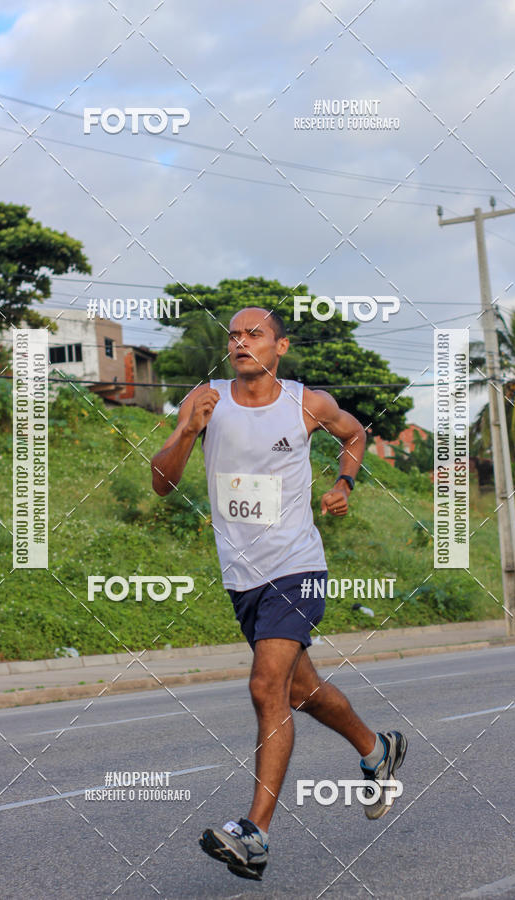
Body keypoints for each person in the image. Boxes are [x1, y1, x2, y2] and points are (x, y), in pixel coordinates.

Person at [150, 306, 407, 881]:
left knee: (267, 686)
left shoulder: (305, 403)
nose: (241, 343)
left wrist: (344, 482)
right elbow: (161, 483)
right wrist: (189, 432)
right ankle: (377, 750)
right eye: (234, 336)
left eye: (254, 334)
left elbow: (355, 433)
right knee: (301, 690)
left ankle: (256, 833)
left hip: (297, 567)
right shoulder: (205, 400)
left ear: (279, 347)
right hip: (243, 578)